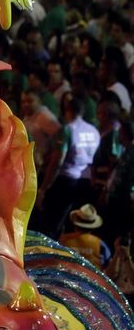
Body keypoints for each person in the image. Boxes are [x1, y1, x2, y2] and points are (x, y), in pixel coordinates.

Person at [39, 95, 100, 236]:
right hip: (85, 180)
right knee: (75, 225)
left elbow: (57, 161)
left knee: (53, 223)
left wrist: (44, 187)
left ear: (67, 111)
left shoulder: (67, 130)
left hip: (65, 181)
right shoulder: (93, 131)